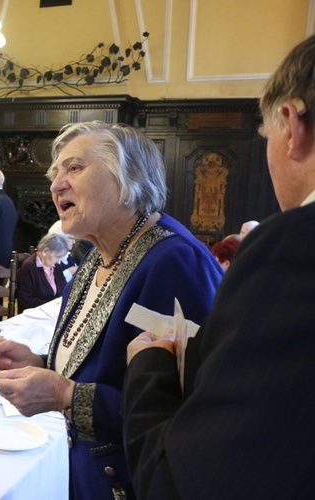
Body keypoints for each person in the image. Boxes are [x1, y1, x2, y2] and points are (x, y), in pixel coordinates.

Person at [0, 122, 222, 499]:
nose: (57, 184)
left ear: (130, 180)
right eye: (55, 172)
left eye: (74, 168)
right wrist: (42, 364)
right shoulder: (96, 256)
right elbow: (110, 371)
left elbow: (193, 411)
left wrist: (64, 396)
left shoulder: (175, 262)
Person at [123, 34, 315, 499]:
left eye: (74, 168)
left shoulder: (291, 248)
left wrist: (148, 364)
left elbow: (186, 482)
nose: (59, 184)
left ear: (292, 124)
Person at [16, 232, 71, 313]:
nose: (59, 262)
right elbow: (26, 300)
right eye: (58, 257)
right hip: (34, 315)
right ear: (45, 251)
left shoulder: (56, 265)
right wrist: (51, 306)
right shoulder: (29, 267)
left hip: (52, 313)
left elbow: (63, 290)